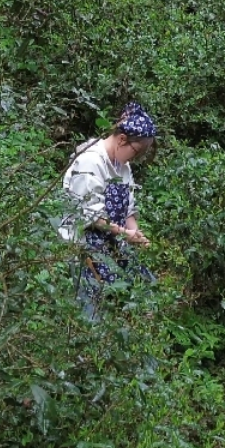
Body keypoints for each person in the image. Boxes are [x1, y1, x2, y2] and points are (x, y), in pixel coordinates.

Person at [59, 102, 157, 321]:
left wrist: (136, 234)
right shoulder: (90, 160)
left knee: (147, 289)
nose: (136, 158)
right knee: (93, 311)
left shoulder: (122, 166)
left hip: (113, 242)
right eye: (137, 151)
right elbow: (89, 214)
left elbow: (129, 208)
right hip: (84, 244)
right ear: (122, 139)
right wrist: (125, 234)